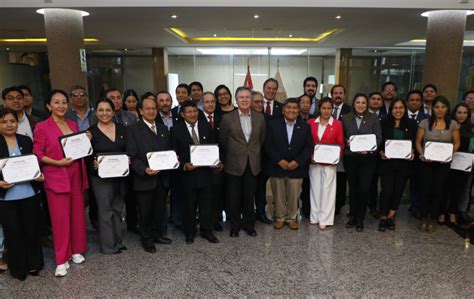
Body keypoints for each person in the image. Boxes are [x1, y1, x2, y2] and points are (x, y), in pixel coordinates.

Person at [33, 89, 89, 277]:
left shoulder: (73, 124)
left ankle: (75, 250)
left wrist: (86, 141)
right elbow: (38, 154)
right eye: (56, 102)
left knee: (77, 214)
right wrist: (57, 162)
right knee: (60, 219)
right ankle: (61, 258)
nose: (61, 105)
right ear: (49, 106)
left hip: (75, 173)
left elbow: (79, 150)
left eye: (64, 102)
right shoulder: (42, 127)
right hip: (56, 174)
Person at [0, 108, 44, 280]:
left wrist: (38, 175)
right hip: (6, 197)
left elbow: (32, 163)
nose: (9, 125)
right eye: (4, 121)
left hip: (28, 194)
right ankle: (18, 269)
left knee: (32, 230)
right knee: (13, 233)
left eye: (12, 121)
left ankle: (34, 264)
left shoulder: (26, 140)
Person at [171, 100, 222, 244]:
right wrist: (184, 166)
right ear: (182, 114)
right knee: (189, 205)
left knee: (207, 204)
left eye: (194, 111)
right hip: (187, 174)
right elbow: (173, 153)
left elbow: (214, 148)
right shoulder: (176, 130)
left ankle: (207, 231)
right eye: (188, 112)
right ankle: (190, 232)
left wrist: (216, 162)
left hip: (206, 174)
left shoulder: (207, 127)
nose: (192, 114)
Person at [219, 86, 266, 237]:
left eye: (247, 97)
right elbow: (223, 141)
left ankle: (249, 225)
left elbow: (261, 139)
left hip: (253, 164)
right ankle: (234, 225)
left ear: (251, 99)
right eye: (241, 97)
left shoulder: (260, 117)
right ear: (236, 100)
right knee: (233, 197)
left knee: (249, 196)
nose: (245, 100)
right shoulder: (227, 118)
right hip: (233, 164)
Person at [126, 97, 171, 253]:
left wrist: (173, 159)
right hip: (144, 178)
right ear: (140, 111)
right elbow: (132, 156)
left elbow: (168, 151)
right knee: (145, 211)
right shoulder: (133, 130)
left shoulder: (163, 128)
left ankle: (157, 234)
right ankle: (146, 239)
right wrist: (144, 169)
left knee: (159, 208)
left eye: (154, 108)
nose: (151, 111)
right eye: (148, 108)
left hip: (162, 177)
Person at [264, 98, 312, 230]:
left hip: (296, 167)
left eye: (295, 108)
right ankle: (279, 217)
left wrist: (298, 162)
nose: (292, 110)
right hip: (277, 166)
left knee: (293, 194)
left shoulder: (305, 126)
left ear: (298, 111)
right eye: (289, 107)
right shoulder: (273, 124)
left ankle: (291, 218)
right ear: (283, 110)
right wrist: (279, 161)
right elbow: (268, 145)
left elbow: (308, 148)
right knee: (278, 194)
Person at [415, 96, 460, 232]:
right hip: (427, 163)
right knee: (425, 189)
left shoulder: (452, 124)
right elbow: (418, 141)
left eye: (443, 107)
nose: (440, 110)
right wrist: (422, 155)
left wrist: (448, 155)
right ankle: (424, 217)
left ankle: (434, 218)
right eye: (437, 107)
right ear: (432, 108)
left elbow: (457, 142)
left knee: (438, 191)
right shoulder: (424, 122)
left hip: (443, 164)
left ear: (447, 108)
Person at [89, 98, 128, 254]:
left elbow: (129, 149)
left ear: (113, 112)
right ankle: (108, 246)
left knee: (118, 208)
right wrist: (93, 163)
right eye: (101, 110)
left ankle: (118, 242)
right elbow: (86, 156)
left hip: (120, 176)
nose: (104, 113)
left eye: (108, 110)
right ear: (96, 112)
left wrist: (128, 159)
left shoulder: (122, 129)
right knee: (105, 211)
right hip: (100, 178)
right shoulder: (90, 133)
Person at [342, 93, 382, 232]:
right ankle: (352, 216)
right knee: (353, 188)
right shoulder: (346, 118)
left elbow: (378, 138)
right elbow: (342, 137)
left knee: (364, 189)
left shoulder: (373, 118)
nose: (360, 105)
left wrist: (370, 149)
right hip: (351, 158)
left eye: (363, 103)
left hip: (367, 159)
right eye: (358, 102)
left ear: (367, 105)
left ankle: (360, 219)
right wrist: (347, 142)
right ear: (354, 104)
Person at [377, 99, 417, 231]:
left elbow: (415, 142)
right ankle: (383, 216)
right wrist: (381, 152)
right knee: (386, 190)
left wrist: (413, 153)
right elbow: (378, 140)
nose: (398, 110)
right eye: (395, 108)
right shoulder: (383, 122)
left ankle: (391, 216)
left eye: (401, 108)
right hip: (387, 163)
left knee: (398, 190)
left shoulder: (411, 124)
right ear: (391, 109)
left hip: (404, 164)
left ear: (405, 109)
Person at [307, 97, 344, 229]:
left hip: (330, 163)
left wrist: (336, 158)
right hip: (314, 162)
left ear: (332, 109)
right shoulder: (311, 123)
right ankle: (315, 216)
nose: (326, 111)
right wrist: (309, 156)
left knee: (328, 190)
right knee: (315, 189)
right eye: (324, 108)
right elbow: (307, 143)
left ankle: (326, 219)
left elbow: (340, 144)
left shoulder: (338, 124)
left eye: (329, 108)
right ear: (319, 108)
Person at [105, 88, 139, 234]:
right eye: (112, 98)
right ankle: (110, 226)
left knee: (130, 195)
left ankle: (132, 223)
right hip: (110, 164)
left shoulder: (130, 117)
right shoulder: (99, 116)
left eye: (118, 97)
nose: (116, 100)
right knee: (111, 198)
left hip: (130, 162)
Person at [445, 103, 473, 225]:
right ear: (454, 113)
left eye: (464, 113)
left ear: (468, 114)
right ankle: (442, 212)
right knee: (445, 188)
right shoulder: (448, 125)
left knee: (459, 190)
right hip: (447, 163)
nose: (461, 115)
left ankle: (453, 213)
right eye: (459, 112)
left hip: (464, 165)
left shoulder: (472, 128)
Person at [202, 92, 225, 231]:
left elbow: (226, 142)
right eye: (207, 102)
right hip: (202, 166)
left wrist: (221, 162)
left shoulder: (222, 119)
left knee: (217, 194)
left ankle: (215, 220)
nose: (210, 104)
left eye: (212, 102)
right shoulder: (195, 118)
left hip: (218, 164)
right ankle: (205, 220)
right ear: (202, 104)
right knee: (205, 195)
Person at [406, 90, 429, 219]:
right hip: (403, 155)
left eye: (417, 100)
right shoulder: (401, 114)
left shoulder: (427, 118)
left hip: (420, 156)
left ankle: (416, 207)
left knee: (417, 183)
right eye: (411, 100)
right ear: (407, 102)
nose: (414, 102)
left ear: (421, 103)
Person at [330, 85, 351, 216]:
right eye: (335, 93)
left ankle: (338, 206)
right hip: (326, 152)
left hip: (343, 152)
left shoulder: (350, 110)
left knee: (341, 180)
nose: (338, 95)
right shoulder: (326, 108)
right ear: (331, 95)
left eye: (340, 93)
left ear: (344, 95)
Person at [298, 94, 316, 218]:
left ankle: (307, 209)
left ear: (311, 105)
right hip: (296, 157)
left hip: (310, 158)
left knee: (308, 185)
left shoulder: (315, 119)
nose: (305, 104)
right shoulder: (293, 117)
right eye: (302, 102)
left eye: (307, 102)